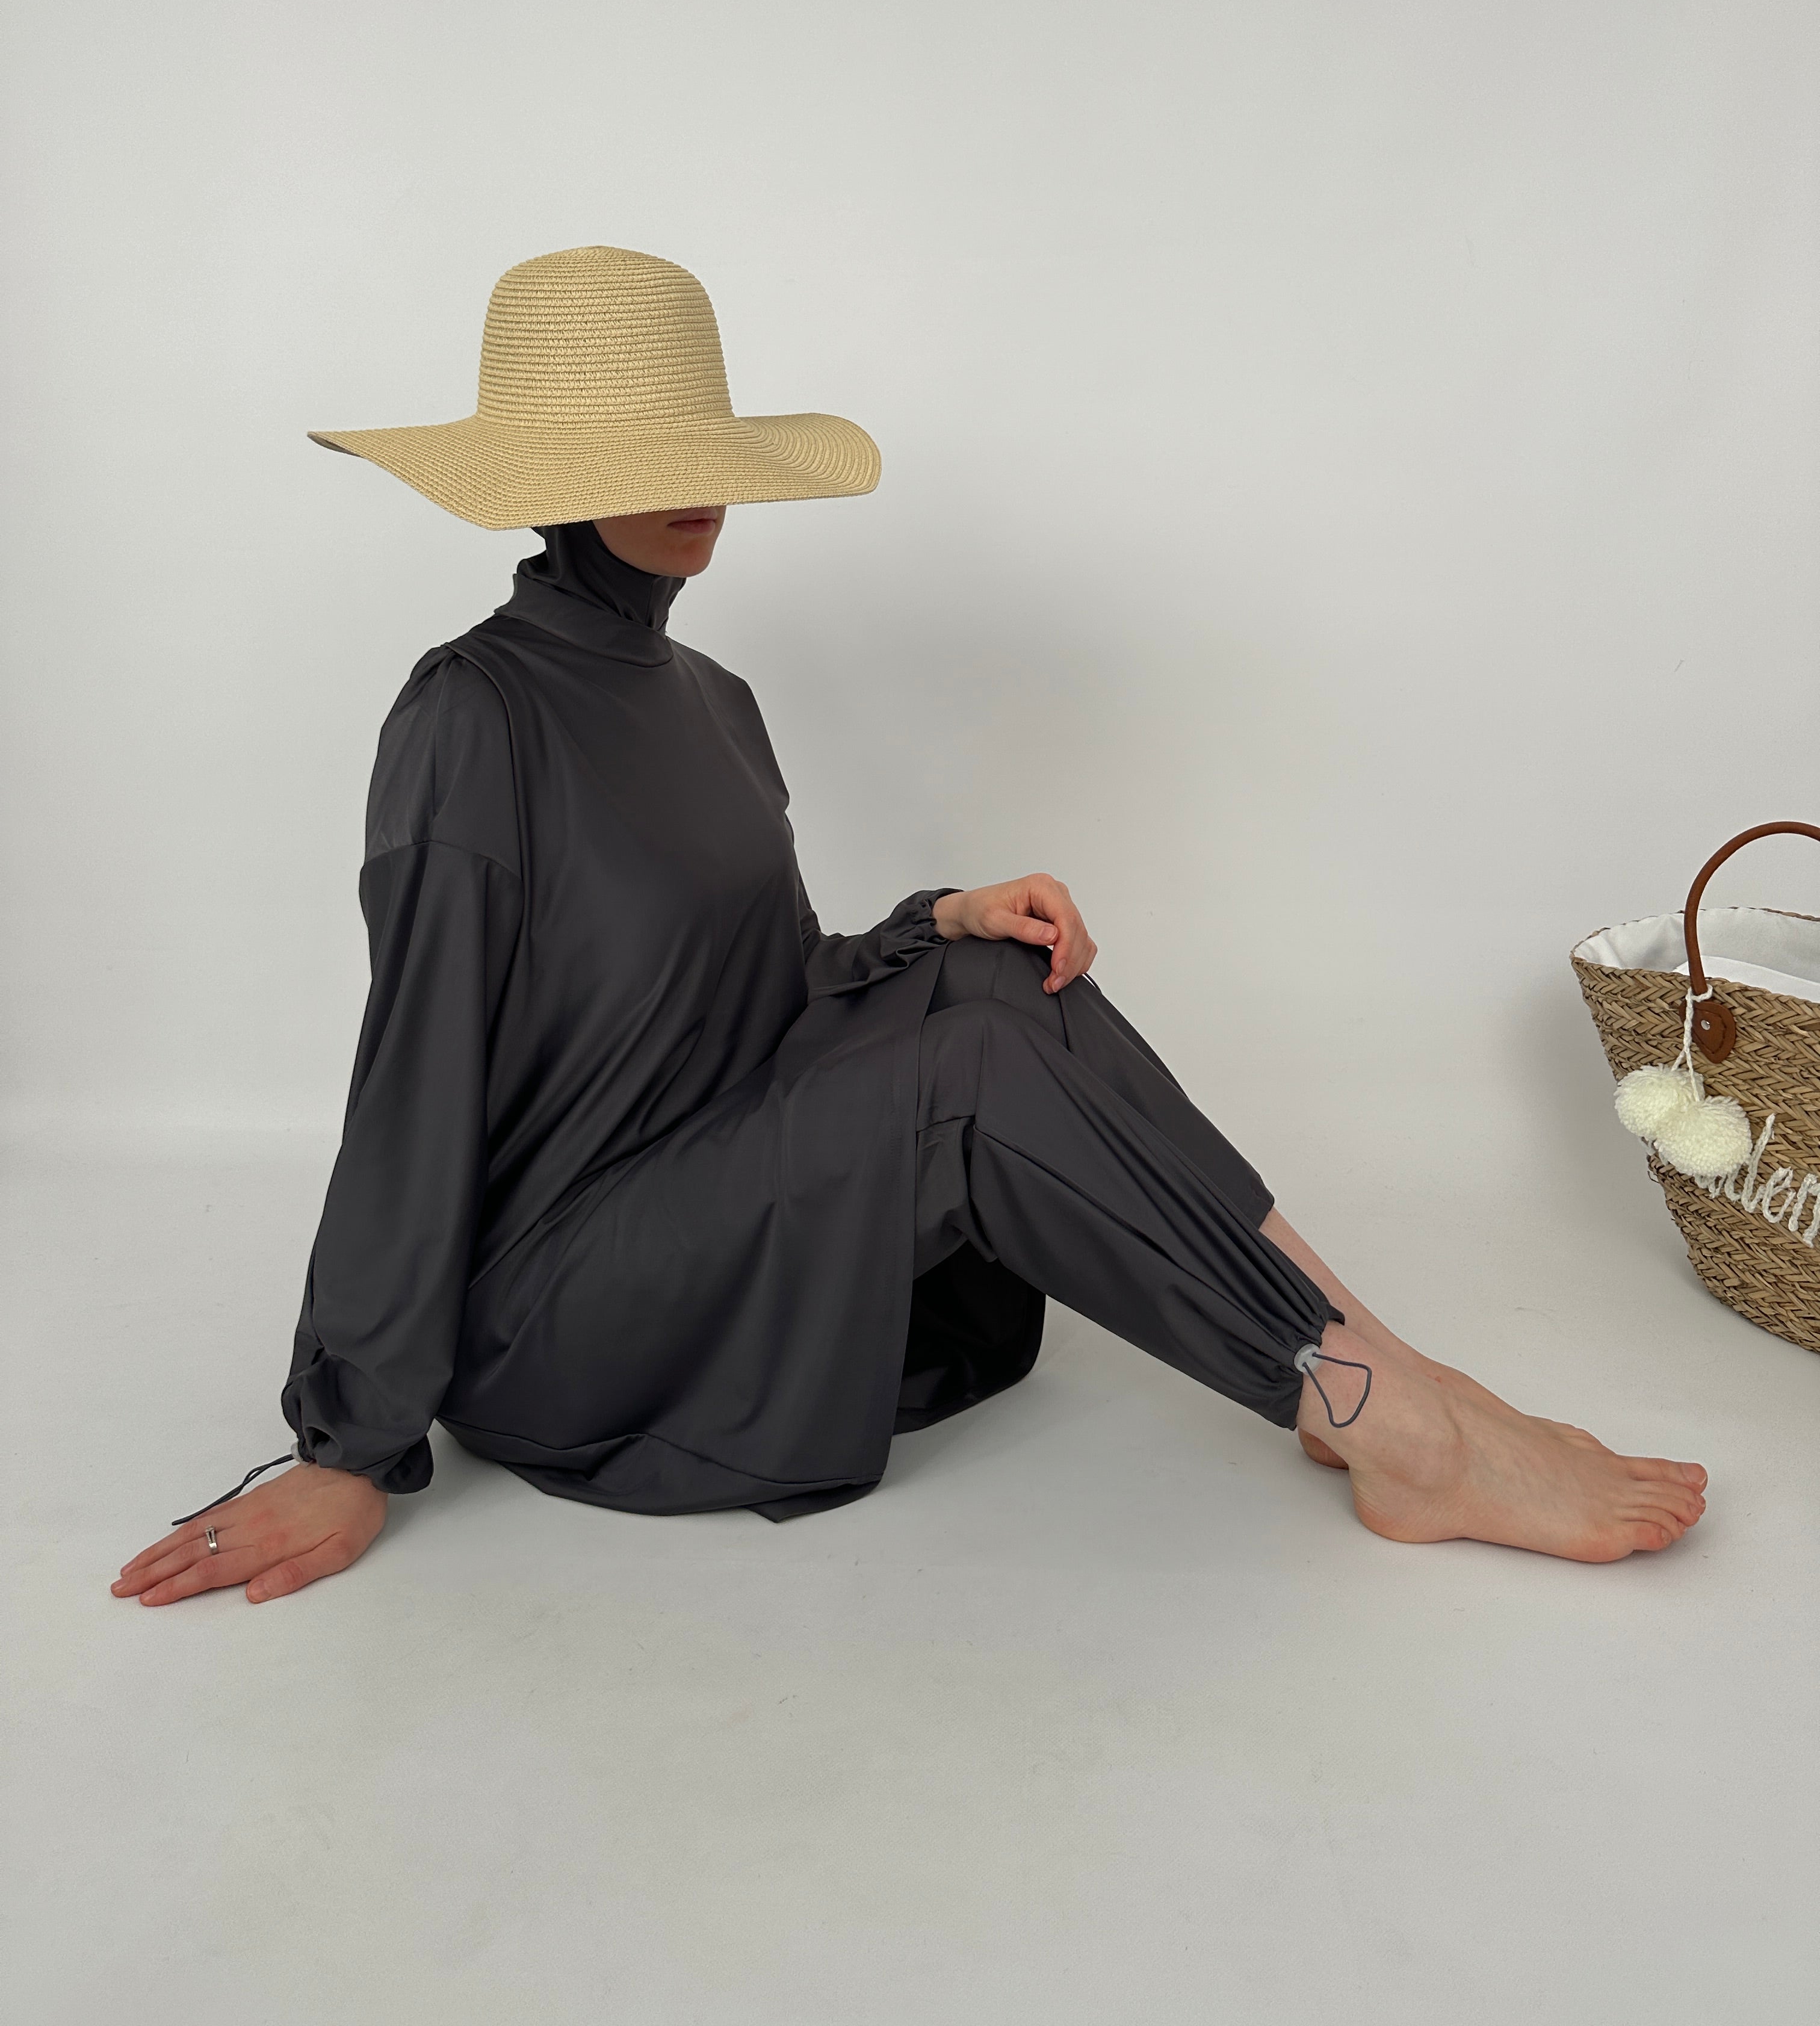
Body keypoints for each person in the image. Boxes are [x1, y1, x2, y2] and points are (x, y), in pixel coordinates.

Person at [114, 247, 1707, 1610]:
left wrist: (937, 921)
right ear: (547, 484)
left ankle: (1374, 1369)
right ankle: (1390, 1422)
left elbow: (755, 1001)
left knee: (994, 978)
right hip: (562, 1310)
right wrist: (350, 1445)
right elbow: (414, 1074)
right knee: (970, 1075)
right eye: (638, 454)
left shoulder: (713, 700)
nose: (695, 485)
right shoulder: (474, 716)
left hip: (706, 1191)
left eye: (701, 444)